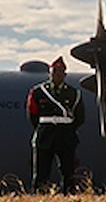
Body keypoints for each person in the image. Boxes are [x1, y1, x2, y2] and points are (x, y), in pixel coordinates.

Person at [26, 56, 85, 193]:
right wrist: (43, 128)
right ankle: (39, 194)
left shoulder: (74, 93)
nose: (57, 75)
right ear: (50, 73)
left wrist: (69, 129)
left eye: (60, 73)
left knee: (68, 170)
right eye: (54, 72)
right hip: (45, 134)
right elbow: (32, 114)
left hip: (65, 135)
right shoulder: (38, 92)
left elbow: (80, 117)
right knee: (42, 170)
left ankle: (68, 194)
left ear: (64, 74)